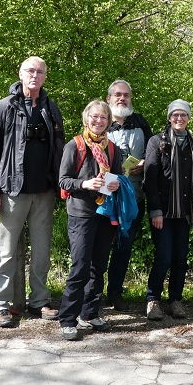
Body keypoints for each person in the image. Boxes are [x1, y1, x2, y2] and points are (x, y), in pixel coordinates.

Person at [0, 56, 65, 327]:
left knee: (42, 251)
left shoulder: (51, 108)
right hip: (11, 191)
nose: (35, 75)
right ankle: (0, 304)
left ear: (45, 77)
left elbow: (60, 151)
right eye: (30, 70)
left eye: (40, 71)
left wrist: (62, 183)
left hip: (44, 192)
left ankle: (40, 301)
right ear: (20, 74)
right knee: (5, 251)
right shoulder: (4, 107)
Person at [58, 101, 123, 341]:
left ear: (109, 121)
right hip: (81, 213)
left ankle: (90, 312)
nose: (98, 121)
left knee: (99, 267)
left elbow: (119, 178)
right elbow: (63, 180)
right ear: (87, 119)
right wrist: (85, 184)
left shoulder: (113, 148)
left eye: (103, 117)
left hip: (105, 213)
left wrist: (116, 184)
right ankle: (67, 319)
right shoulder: (74, 145)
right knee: (80, 266)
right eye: (94, 117)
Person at [143, 99, 193, 321]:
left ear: (188, 118)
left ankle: (176, 299)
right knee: (164, 257)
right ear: (169, 117)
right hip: (163, 212)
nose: (179, 118)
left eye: (183, 115)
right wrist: (155, 210)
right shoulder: (157, 142)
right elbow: (150, 177)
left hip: (184, 212)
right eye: (175, 115)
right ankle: (152, 299)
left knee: (180, 258)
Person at [104, 80, 152, 310]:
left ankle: (114, 291)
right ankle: (92, 293)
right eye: (117, 95)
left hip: (134, 198)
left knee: (124, 246)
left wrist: (144, 163)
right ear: (108, 99)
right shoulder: (99, 120)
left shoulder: (141, 122)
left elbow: (154, 153)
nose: (122, 99)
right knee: (101, 245)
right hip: (105, 197)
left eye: (126, 95)